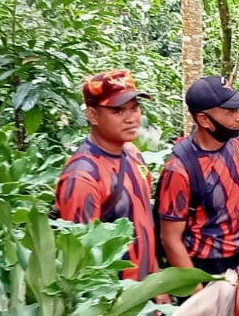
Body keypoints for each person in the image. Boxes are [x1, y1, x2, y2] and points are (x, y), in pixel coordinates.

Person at [156, 75, 239, 275]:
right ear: (204, 119)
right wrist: (196, 291)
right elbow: (170, 238)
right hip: (205, 266)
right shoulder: (179, 169)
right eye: (230, 112)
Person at [54, 69, 160, 280]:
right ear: (93, 115)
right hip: (116, 302)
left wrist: (155, 278)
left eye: (134, 108)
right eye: (118, 111)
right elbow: (81, 261)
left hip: (145, 293)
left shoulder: (132, 152)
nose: (131, 118)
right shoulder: (82, 177)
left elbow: (144, 220)